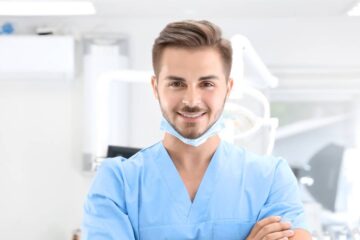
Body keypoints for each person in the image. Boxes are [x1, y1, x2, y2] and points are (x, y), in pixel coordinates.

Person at [82, 20, 312, 240]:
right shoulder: (118, 182)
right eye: (176, 83)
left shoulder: (271, 178)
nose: (192, 100)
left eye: (207, 84)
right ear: (155, 87)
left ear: (228, 88)